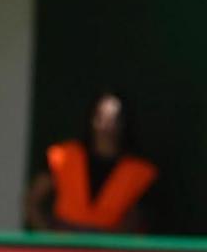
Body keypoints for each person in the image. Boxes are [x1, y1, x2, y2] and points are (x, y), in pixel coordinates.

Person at [24, 93, 156, 233]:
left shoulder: (140, 171)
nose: (106, 127)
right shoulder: (62, 156)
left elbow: (139, 218)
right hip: (65, 240)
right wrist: (50, 236)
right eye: (101, 118)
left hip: (110, 242)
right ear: (91, 119)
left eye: (114, 120)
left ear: (124, 124)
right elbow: (32, 202)